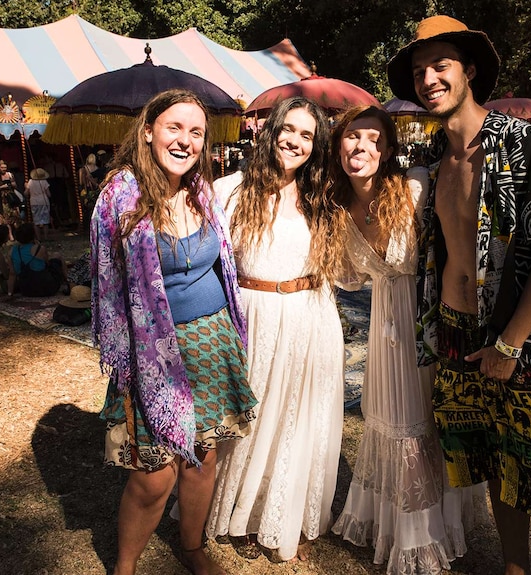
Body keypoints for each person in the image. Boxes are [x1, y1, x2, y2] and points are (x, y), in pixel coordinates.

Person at [387, 15, 531, 574]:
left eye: (440, 66)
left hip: (521, 341)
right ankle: (514, 568)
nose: (428, 79)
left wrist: (510, 344)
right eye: (418, 71)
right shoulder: (434, 162)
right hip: (457, 335)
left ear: (470, 72)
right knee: (494, 463)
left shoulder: (522, 143)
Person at [91, 88, 257, 575]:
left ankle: (192, 548)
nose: (186, 140)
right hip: (154, 355)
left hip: (214, 342)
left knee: (201, 461)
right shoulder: (119, 197)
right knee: (153, 477)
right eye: (174, 127)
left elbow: (221, 266)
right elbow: (105, 282)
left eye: (196, 132)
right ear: (148, 131)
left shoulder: (202, 191)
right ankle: (124, 568)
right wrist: (123, 359)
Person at [328, 105, 486, 574]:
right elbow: (348, 278)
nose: (362, 148)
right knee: (389, 418)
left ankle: (422, 535)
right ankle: (394, 522)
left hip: (429, 324)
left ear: (390, 149)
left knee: (422, 423)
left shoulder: (413, 184)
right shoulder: (337, 207)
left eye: (375, 139)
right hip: (383, 327)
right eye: (353, 137)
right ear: (339, 145)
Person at [206, 96, 343, 563]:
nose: (296, 141)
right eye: (290, 129)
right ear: (271, 131)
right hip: (254, 315)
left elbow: (348, 266)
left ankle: (280, 515)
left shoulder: (322, 196)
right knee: (252, 420)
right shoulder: (230, 189)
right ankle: (237, 515)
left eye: (308, 135)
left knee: (296, 422)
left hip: (311, 315)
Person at [8, 222, 67, 297]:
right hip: (46, 288)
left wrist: (9, 293)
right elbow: (47, 264)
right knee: (57, 256)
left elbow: (12, 274)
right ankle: (69, 282)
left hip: (26, 290)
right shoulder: (39, 248)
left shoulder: (12, 251)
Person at [0, 160, 24, 228]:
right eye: (2, 167)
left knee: (16, 215)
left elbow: (15, 185)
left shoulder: (10, 175)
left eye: (5, 167)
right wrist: (1, 188)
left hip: (11, 196)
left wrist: (9, 185)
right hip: (2, 199)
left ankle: (18, 232)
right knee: (5, 217)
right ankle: (9, 235)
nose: (4, 169)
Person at [25, 168, 52, 242]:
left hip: (34, 202)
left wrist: (26, 187)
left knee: (36, 220)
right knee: (45, 220)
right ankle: (46, 237)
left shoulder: (30, 182)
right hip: (43, 201)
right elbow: (48, 194)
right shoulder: (44, 181)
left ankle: (39, 238)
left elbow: (26, 193)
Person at [78, 153, 101, 230]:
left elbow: (81, 182)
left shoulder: (83, 169)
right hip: (95, 189)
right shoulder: (97, 168)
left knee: (86, 208)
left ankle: (87, 226)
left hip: (87, 189)